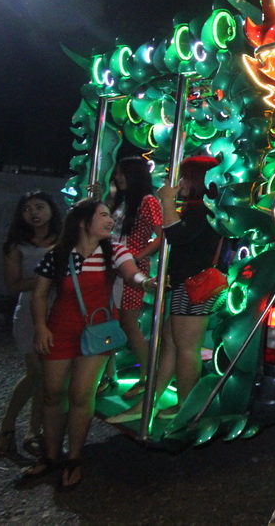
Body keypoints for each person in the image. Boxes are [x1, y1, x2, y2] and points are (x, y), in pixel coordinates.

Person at [21, 198, 146, 489]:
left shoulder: (114, 250)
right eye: (103, 215)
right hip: (59, 330)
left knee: (81, 395)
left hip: (97, 331)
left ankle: (74, 458)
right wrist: (40, 327)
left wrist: (145, 282)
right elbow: (39, 294)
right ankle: (51, 456)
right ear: (82, 222)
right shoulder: (58, 254)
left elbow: (131, 273)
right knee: (52, 393)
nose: (110, 220)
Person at [109, 156, 222, 423]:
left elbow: (175, 236)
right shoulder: (200, 208)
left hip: (194, 286)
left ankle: (186, 408)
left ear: (197, 179)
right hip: (187, 284)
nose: (179, 182)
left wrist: (168, 202)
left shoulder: (202, 210)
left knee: (186, 348)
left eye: (183, 177)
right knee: (171, 343)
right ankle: (150, 400)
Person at [0, 190, 62, 458]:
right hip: (30, 314)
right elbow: (13, 285)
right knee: (36, 374)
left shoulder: (63, 240)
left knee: (49, 377)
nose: (34, 213)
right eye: (27, 209)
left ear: (51, 209)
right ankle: (7, 425)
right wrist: (48, 278)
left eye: (39, 206)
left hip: (60, 309)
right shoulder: (16, 245)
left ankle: (34, 431)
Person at [108, 156, 162, 398]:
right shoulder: (123, 199)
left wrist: (137, 256)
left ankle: (147, 376)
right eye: (117, 173)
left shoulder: (148, 200)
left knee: (129, 324)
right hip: (112, 267)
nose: (117, 177)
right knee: (110, 321)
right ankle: (109, 374)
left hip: (131, 268)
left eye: (122, 173)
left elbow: (162, 235)